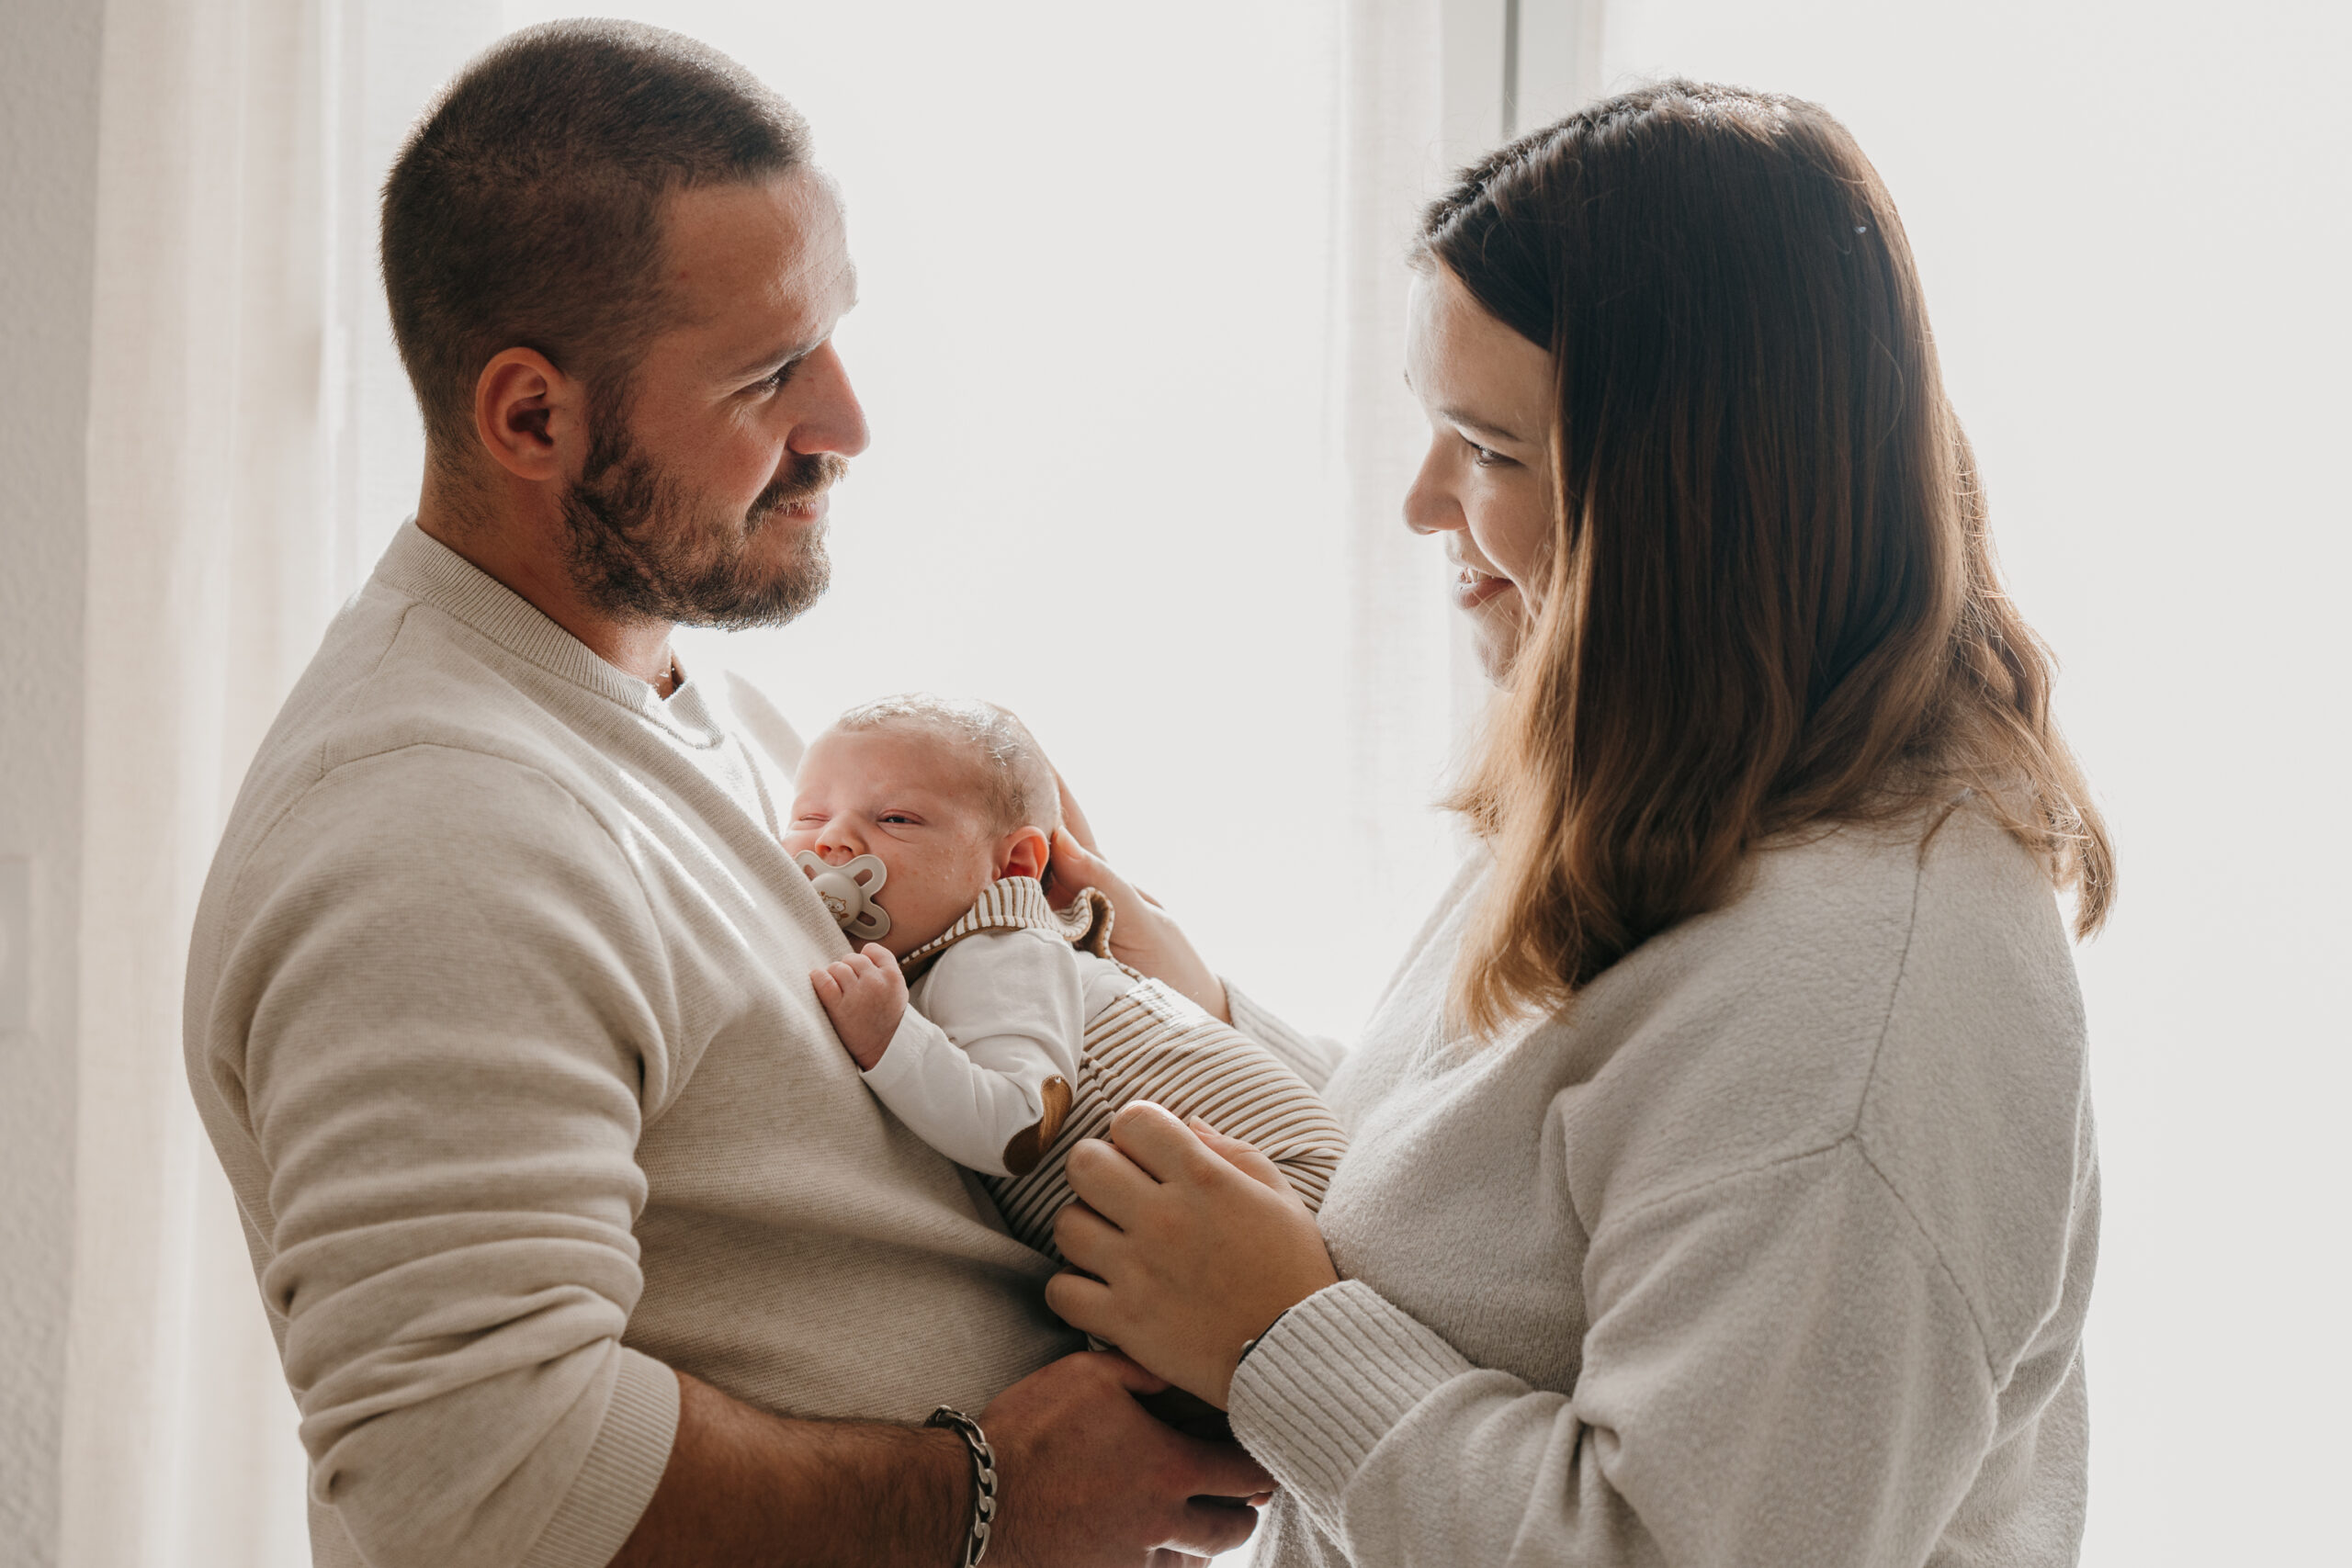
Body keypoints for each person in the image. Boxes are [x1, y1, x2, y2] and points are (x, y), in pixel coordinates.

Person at [181, 21, 1280, 1568]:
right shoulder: (432, 834)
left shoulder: (722, 718)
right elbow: (468, 1475)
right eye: (771, 374)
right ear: (530, 420)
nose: (847, 423)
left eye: (832, 336)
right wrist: (988, 1496)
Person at [1039, 81, 2112, 1567]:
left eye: (1488, 450)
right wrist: (1208, 1021)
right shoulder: (1684, 785)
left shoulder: (1857, 991)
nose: (1426, 504)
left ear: (1683, 501)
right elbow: (1526, 1208)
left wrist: (1278, 1340)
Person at [786, 694, 1347, 1248]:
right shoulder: (963, 959)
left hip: (1281, 1187)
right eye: (809, 816)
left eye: (895, 818)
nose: (832, 838)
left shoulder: (1001, 952)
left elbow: (1019, 1127)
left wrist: (889, 1038)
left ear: (1012, 866)